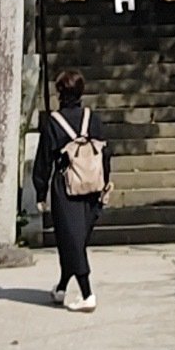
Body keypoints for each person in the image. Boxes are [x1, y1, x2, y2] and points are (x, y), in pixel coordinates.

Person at [35, 67, 106, 310]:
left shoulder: (54, 123)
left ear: (60, 93)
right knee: (75, 240)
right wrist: (105, 184)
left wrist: (40, 191)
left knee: (71, 241)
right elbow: (105, 153)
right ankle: (63, 286)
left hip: (66, 188)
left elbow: (43, 159)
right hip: (93, 187)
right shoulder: (92, 118)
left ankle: (87, 294)